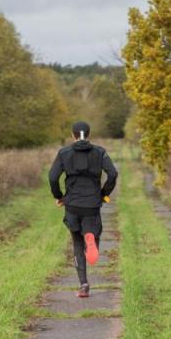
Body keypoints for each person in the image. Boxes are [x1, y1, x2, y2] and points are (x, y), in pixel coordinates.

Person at [48, 121, 118, 298]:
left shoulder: (64, 153)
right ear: (89, 134)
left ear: (73, 135)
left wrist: (59, 196)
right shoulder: (100, 152)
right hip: (92, 204)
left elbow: (53, 177)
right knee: (92, 234)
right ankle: (91, 239)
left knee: (77, 243)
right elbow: (113, 173)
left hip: (72, 204)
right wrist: (104, 194)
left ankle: (83, 285)